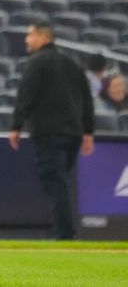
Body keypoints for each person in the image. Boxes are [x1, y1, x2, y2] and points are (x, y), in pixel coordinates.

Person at [9, 22, 95, 240]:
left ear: (42, 36)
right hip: (73, 133)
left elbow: (26, 94)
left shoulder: (37, 62)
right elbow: (87, 98)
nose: (27, 40)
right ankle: (64, 230)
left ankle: (64, 233)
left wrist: (16, 125)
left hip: (49, 133)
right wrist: (87, 131)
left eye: (30, 35)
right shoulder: (72, 63)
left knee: (56, 183)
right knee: (61, 181)